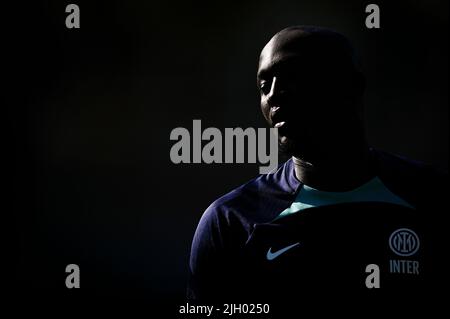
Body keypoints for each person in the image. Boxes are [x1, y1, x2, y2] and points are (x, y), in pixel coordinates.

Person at [187, 26, 447, 309]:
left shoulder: (433, 198)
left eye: (292, 76)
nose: (273, 95)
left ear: (351, 87)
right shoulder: (231, 222)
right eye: (264, 86)